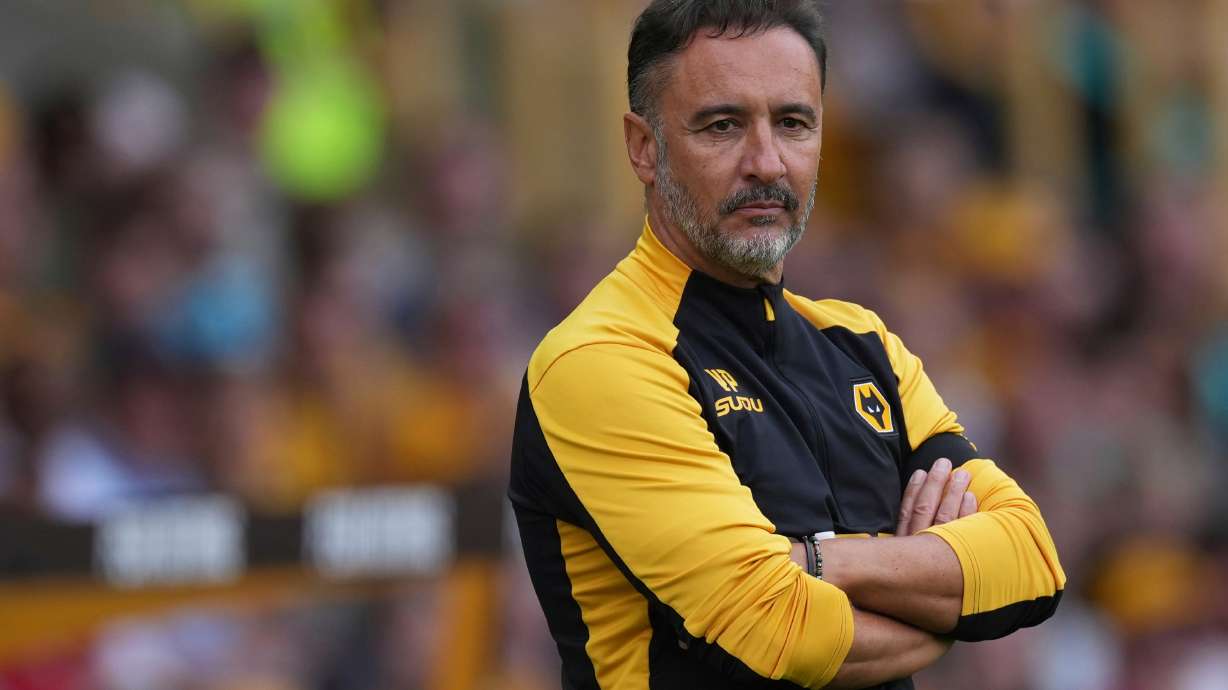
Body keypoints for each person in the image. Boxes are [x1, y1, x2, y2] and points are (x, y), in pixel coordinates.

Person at [508, 2, 1065, 688]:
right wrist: (940, 597)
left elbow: (1032, 563)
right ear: (642, 146)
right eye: (722, 125)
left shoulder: (864, 344)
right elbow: (778, 632)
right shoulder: (599, 360)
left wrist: (817, 563)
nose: (766, 162)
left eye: (793, 123)